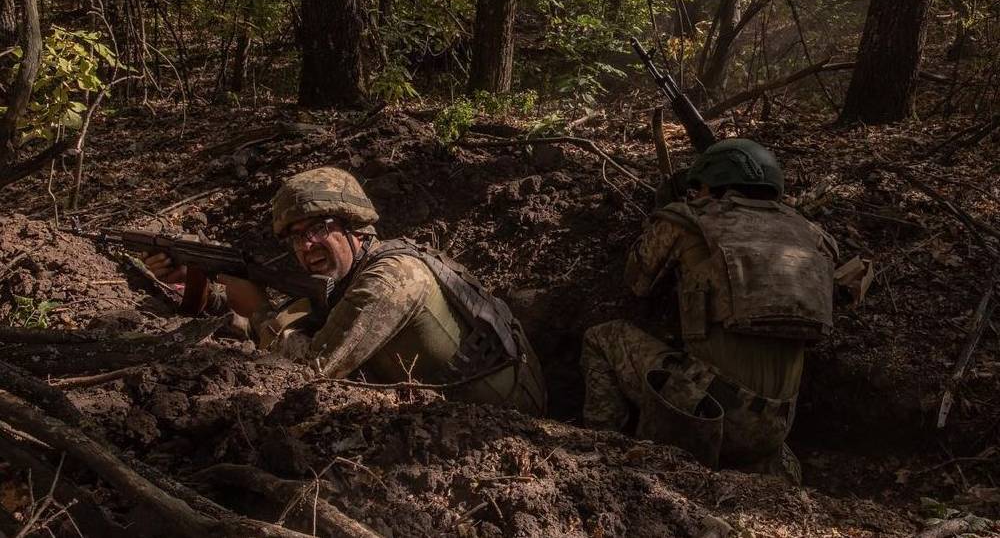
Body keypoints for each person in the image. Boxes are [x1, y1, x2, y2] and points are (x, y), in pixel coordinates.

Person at [145, 167, 546, 415]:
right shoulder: (357, 271)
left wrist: (261, 313)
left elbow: (310, 372)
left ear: (354, 226)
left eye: (319, 228)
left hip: (501, 419)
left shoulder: (392, 278)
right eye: (296, 236)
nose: (306, 246)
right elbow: (304, 316)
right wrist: (211, 293)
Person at [580, 139, 838, 483]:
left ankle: (600, 451)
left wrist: (666, 210)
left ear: (712, 184)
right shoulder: (814, 237)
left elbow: (637, 280)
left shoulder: (688, 221)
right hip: (777, 427)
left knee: (602, 337)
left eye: (697, 186)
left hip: (707, 414)